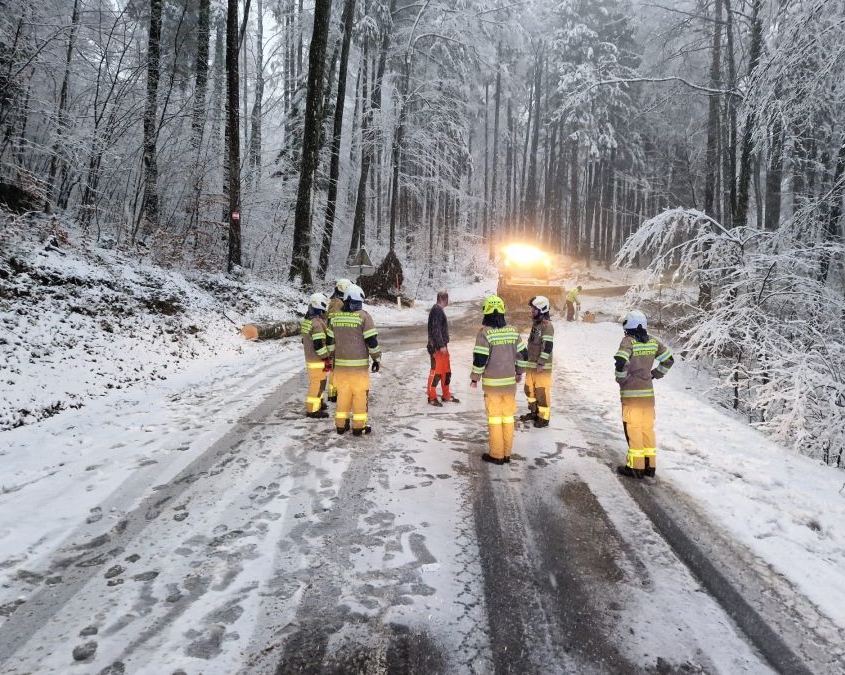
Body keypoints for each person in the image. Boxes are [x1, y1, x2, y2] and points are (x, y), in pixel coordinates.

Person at [614, 310, 674, 478]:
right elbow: (669, 360)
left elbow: (620, 361)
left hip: (631, 395)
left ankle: (635, 467)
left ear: (629, 326)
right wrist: (656, 374)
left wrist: (622, 379)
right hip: (648, 396)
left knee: (633, 430)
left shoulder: (628, 342)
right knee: (647, 429)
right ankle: (650, 466)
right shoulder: (654, 342)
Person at [470, 295, 529, 465]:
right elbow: (523, 354)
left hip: (492, 387)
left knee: (495, 419)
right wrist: (519, 372)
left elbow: (480, 359)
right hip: (509, 386)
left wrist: (475, 378)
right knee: (508, 418)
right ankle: (507, 453)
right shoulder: (512, 331)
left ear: (486, 313)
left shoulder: (484, 333)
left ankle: (496, 454)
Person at [327, 283, 381, 436]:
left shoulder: (335, 318)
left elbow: (330, 343)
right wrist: (376, 358)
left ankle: (341, 425)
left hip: (341, 368)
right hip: (358, 369)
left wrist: (333, 357)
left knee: (343, 395)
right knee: (359, 395)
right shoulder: (364, 317)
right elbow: (372, 341)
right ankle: (359, 427)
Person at [520, 295, 554, 428]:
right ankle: (534, 412)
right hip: (531, 366)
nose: (531, 312)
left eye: (534, 310)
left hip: (541, 368)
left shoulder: (547, 326)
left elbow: (548, 346)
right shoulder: (536, 324)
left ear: (542, 309)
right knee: (529, 390)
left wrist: (541, 363)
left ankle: (543, 418)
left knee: (542, 393)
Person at [300, 292, 332, 418]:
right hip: (317, 359)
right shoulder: (317, 323)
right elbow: (318, 344)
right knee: (316, 384)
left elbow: (305, 340)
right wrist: (326, 357)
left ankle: (319, 402)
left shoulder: (307, 321)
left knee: (321, 382)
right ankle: (313, 410)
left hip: (310, 358)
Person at [427, 290, 460, 406]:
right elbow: (435, 329)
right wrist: (441, 345)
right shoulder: (436, 311)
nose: (448, 302)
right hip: (436, 347)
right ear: (442, 299)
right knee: (436, 373)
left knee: (446, 372)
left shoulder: (439, 310)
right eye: (447, 299)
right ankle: (432, 397)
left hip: (442, 346)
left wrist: (443, 345)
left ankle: (446, 395)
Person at [325, 278, 352, 402]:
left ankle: (333, 392)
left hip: (334, 338)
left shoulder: (335, 300)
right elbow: (336, 322)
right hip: (336, 339)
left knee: (336, 367)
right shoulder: (338, 303)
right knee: (336, 367)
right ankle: (334, 393)